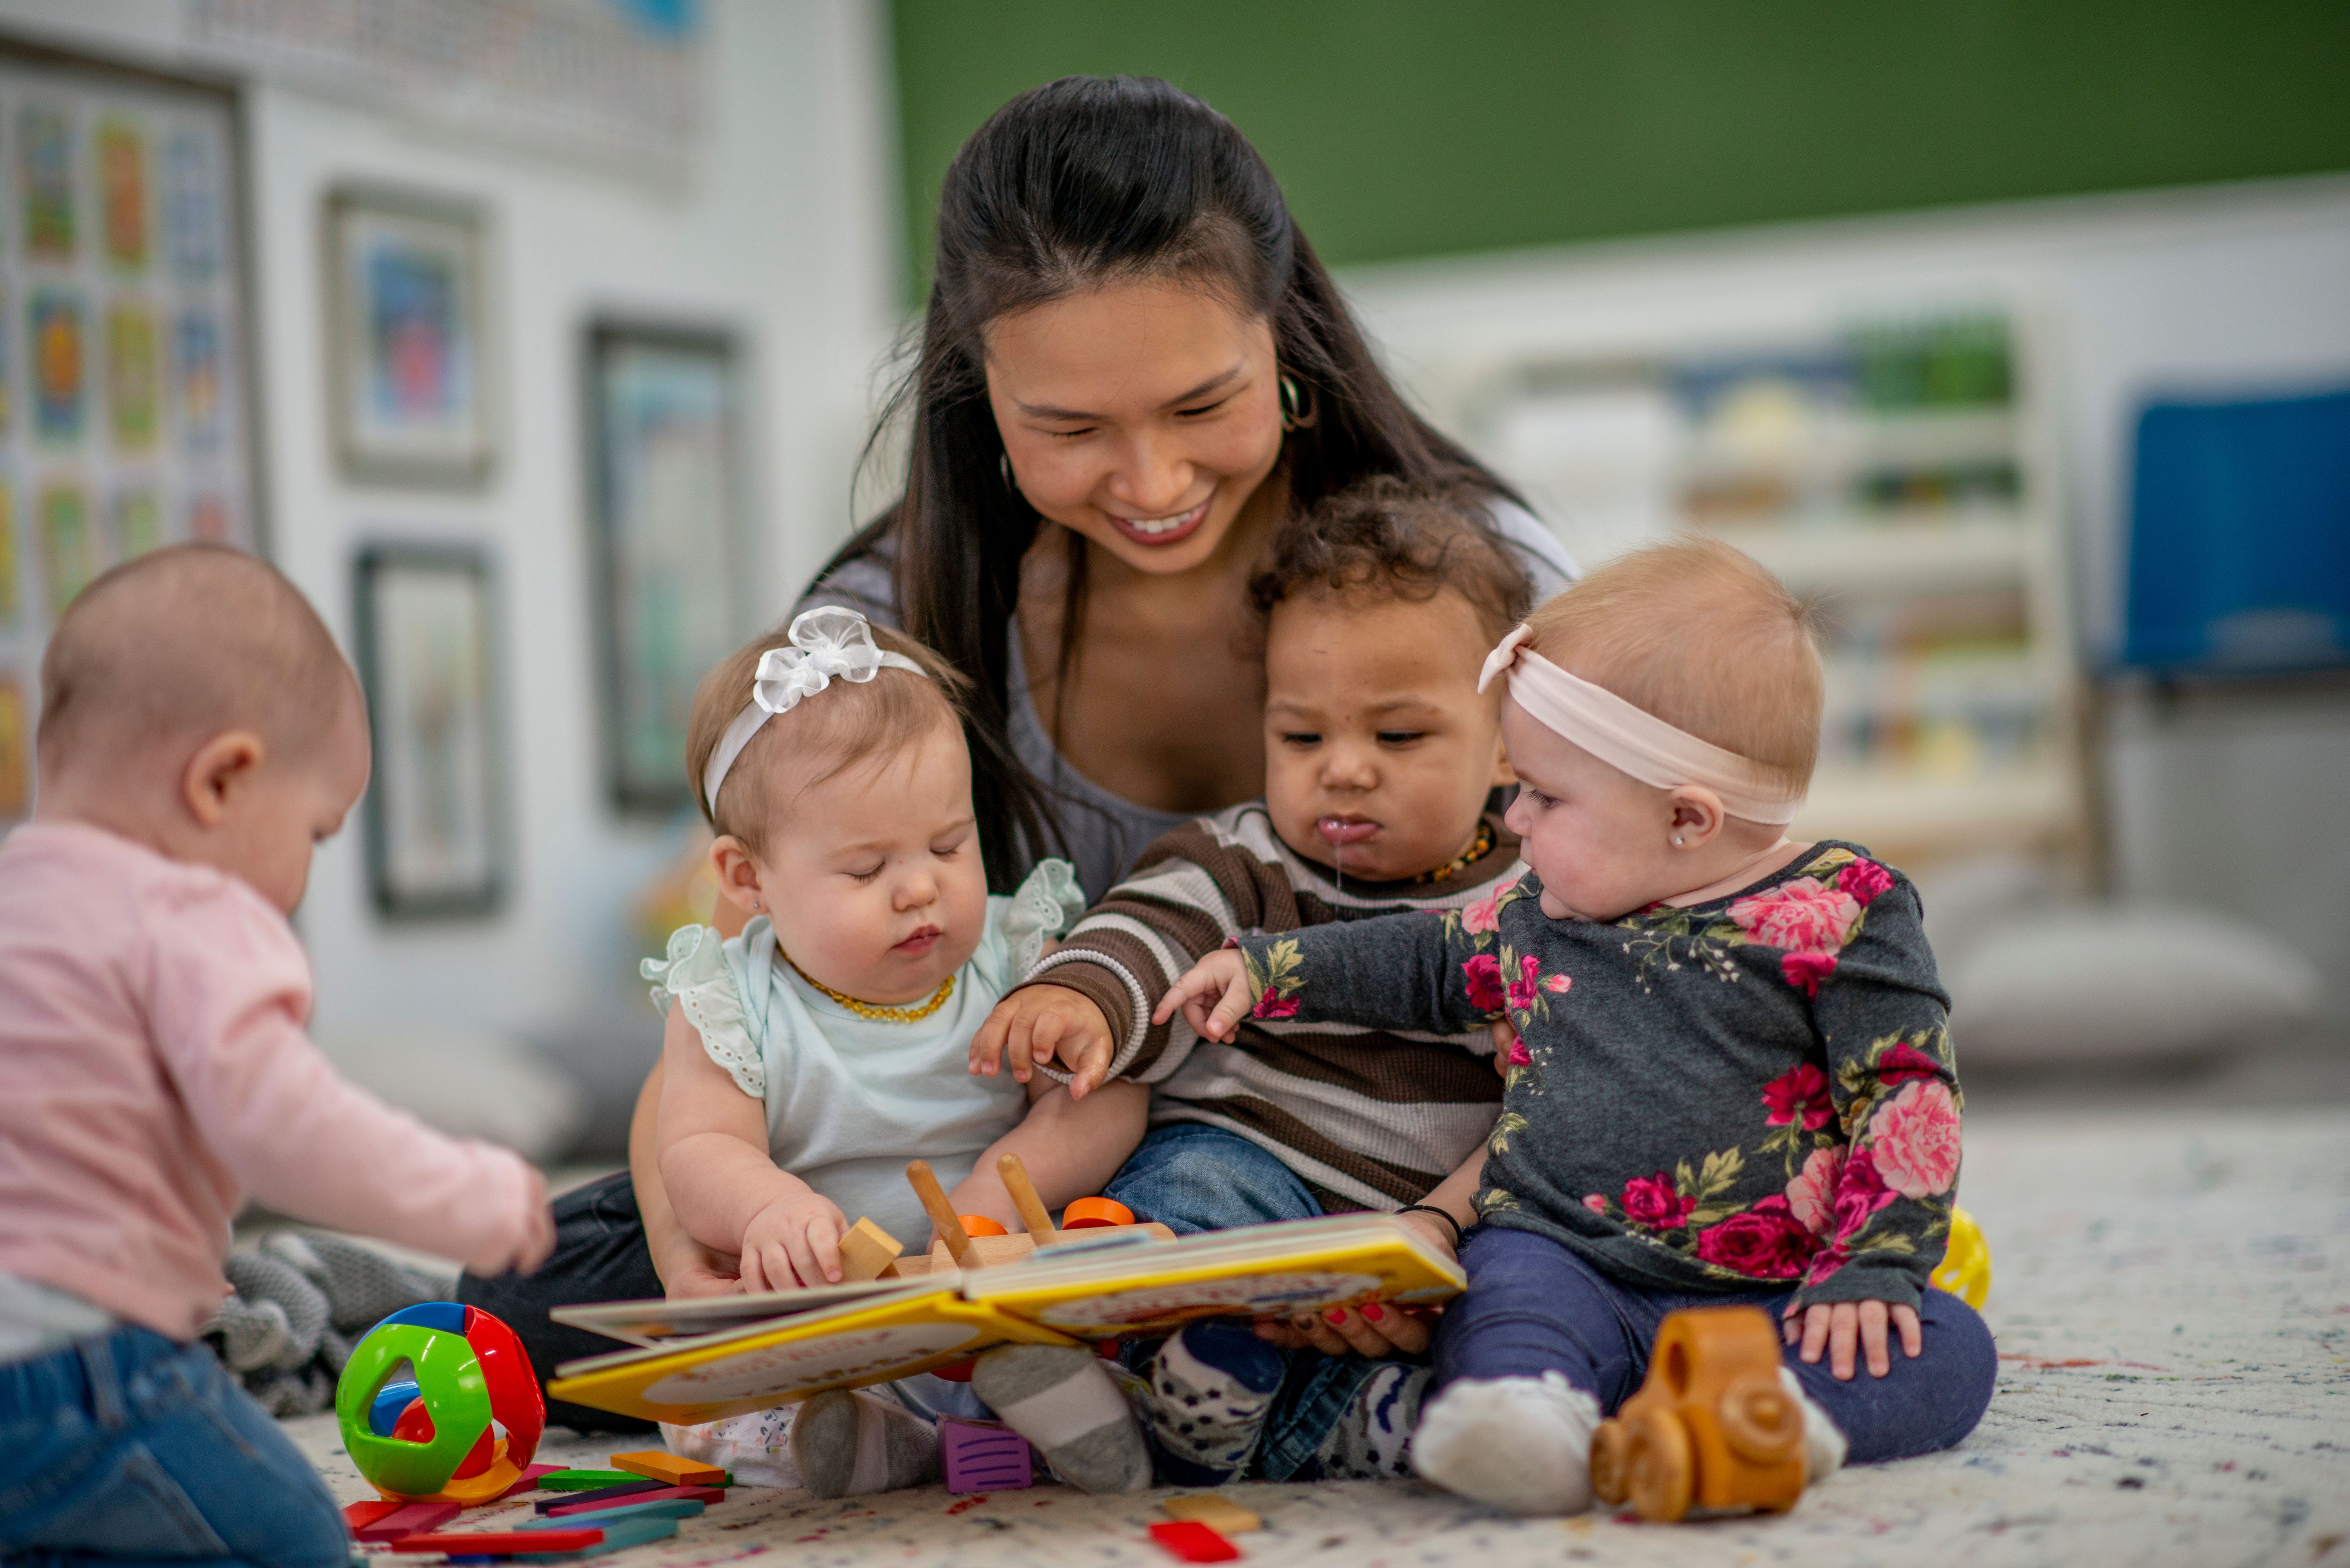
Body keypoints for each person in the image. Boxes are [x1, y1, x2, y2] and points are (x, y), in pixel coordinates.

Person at [464, 73, 1573, 1401]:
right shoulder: (887, 630)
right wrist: (685, 1224)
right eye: (1068, 429)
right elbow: (744, 1008)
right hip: (1012, 1178)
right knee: (541, 1307)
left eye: (1199, 404)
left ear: (1287, 345)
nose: (1153, 485)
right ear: (978, 400)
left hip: (1397, 1137)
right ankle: (340, 1300)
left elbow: (1657, 943)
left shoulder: (1479, 587)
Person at [1158, 538, 1998, 1515]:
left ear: (1688, 819)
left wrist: (1874, 1263)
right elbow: (1420, 959)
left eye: (1546, 798)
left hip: (1778, 1293)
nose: (1513, 820)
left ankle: (1754, 1420)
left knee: (1947, 1347)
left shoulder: (1845, 908)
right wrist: (1265, 967)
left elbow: (1906, 1092)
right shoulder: (1544, 914)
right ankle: (1533, 1418)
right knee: (1499, 1293)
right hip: (1567, 1261)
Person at [962, 476, 1535, 1487]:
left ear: (1508, 742)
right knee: (1185, 1189)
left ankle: (1236, 1425)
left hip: (1410, 1235)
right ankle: (1146, 1383)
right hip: (1246, 1181)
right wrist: (1084, 998)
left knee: (1523, 1297)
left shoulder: (1547, 900)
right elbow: (1150, 925)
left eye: (1397, 736)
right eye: (1301, 736)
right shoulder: (1247, 858)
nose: (1343, 769)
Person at [0, 547, 555, 1567]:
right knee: (293, 1537)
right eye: (314, 831)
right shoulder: (189, 912)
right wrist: (466, 1194)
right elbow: (289, 1126)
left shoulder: (21, 894)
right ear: (223, 780)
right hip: (85, 1373)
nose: (301, 876)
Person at [638, 606, 1147, 1496]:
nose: (920, 887)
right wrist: (763, 1211)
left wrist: (999, 1182)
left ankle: (1078, 1417)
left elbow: (1109, 1094)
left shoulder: (1013, 956)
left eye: (949, 845)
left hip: (992, 1284)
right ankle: (882, 1443)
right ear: (747, 879)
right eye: (867, 871)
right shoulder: (730, 997)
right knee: (713, 1404)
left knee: (1097, 1305)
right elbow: (696, 1148)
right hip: (837, 1310)